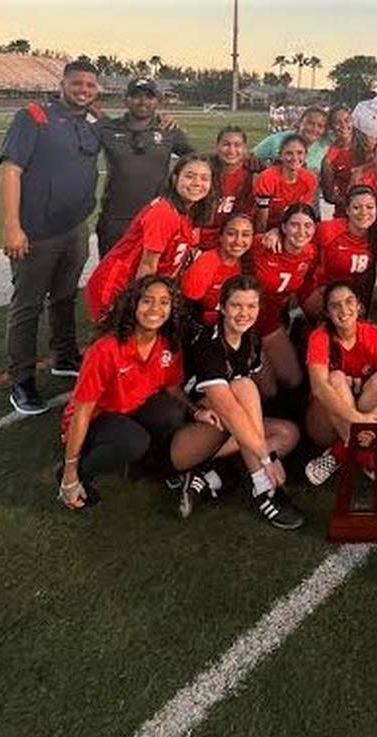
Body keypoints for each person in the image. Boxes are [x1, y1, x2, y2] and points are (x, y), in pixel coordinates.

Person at [0, 58, 102, 415]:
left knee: (63, 297)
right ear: (63, 83)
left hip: (75, 227)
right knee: (27, 306)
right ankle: (22, 381)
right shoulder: (33, 116)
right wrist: (12, 226)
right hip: (36, 231)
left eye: (90, 85)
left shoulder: (94, 122)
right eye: (77, 84)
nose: (84, 90)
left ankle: (63, 356)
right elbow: (11, 170)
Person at [172, 275, 306, 528]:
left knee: (288, 434)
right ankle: (262, 487)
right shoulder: (207, 344)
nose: (244, 313)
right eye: (236, 305)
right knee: (244, 387)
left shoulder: (251, 339)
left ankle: (213, 475)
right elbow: (229, 408)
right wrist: (266, 461)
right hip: (188, 435)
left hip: (224, 430)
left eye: (251, 306)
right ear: (222, 307)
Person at [57, 276, 191, 508]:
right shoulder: (106, 348)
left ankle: (147, 465)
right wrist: (70, 470)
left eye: (164, 302)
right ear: (133, 305)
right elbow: (82, 412)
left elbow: (172, 388)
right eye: (147, 301)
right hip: (96, 418)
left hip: (131, 410)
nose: (155, 309)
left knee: (172, 413)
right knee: (133, 441)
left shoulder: (168, 342)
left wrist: (197, 411)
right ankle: (77, 473)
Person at [303, 280, 377, 496]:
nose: (344, 309)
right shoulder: (320, 337)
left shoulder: (373, 334)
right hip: (325, 425)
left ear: (359, 305)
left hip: (365, 423)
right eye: (335, 305)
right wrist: (356, 418)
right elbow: (319, 389)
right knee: (335, 379)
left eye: (349, 301)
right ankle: (372, 463)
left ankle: (338, 454)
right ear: (327, 312)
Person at [84, 154, 214, 321]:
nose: (197, 183)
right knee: (118, 339)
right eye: (189, 176)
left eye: (204, 178)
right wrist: (144, 303)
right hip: (120, 285)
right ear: (175, 179)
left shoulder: (189, 211)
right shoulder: (164, 213)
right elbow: (147, 265)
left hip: (144, 284)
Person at [96, 77, 194, 257]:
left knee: (149, 278)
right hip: (116, 219)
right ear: (126, 99)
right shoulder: (107, 129)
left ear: (157, 101)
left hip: (155, 218)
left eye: (149, 97)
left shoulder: (168, 129)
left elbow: (194, 162)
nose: (143, 102)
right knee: (111, 276)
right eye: (136, 96)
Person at [250, 203, 318, 398]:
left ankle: (297, 333)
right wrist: (268, 233)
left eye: (308, 226)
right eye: (295, 225)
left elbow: (306, 287)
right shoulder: (262, 245)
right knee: (268, 391)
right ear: (284, 227)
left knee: (293, 380)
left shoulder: (310, 253)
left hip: (270, 322)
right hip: (246, 323)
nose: (302, 231)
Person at [303, 186, 377, 319]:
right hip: (320, 290)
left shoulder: (373, 238)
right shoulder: (328, 230)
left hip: (347, 294)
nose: (364, 212)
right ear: (348, 211)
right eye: (356, 207)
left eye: (370, 207)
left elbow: (365, 279)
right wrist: (276, 233)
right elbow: (298, 236)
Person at [182, 211, 253, 327]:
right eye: (231, 234)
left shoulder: (247, 261)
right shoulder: (206, 263)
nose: (238, 241)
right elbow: (187, 307)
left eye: (245, 235)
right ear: (221, 237)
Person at [199, 125, 255, 250]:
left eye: (237, 145)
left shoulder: (249, 174)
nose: (231, 150)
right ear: (217, 147)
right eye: (226, 144)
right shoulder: (204, 169)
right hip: (197, 239)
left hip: (227, 241)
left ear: (245, 149)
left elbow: (244, 215)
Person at [252, 133, 318, 233]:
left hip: (290, 228)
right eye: (289, 153)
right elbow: (261, 221)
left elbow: (301, 213)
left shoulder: (310, 179)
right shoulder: (267, 178)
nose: (295, 158)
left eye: (299, 153)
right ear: (280, 155)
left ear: (305, 155)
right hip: (267, 227)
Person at [251, 106, 330, 174]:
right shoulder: (277, 140)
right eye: (310, 123)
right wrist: (265, 168)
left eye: (320, 126)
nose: (314, 129)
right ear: (299, 123)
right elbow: (250, 156)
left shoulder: (325, 145)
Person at [320, 106, 363, 208]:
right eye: (337, 122)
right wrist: (352, 204)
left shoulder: (367, 144)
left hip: (372, 209)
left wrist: (362, 169)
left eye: (347, 120)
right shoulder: (329, 157)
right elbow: (329, 196)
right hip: (346, 209)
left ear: (352, 121)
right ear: (331, 127)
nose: (343, 125)